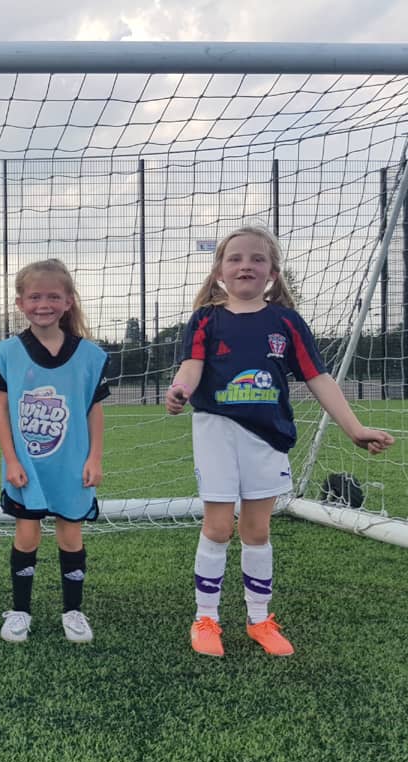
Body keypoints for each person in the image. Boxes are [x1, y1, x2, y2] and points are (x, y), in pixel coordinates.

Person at [167, 223, 394, 657]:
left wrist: (355, 428)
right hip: (216, 432)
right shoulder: (206, 319)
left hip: (268, 438)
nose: (245, 265)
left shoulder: (286, 322)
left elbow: (317, 377)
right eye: (235, 258)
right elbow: (192, 366)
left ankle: (259, 620)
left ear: (272, 272)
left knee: (257, 530)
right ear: (219, 271)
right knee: (217, 527)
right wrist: (180, 389)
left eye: (257, 259)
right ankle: (206, 618)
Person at [0, 260, 109, 644]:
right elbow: (1, 411)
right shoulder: (6, 353)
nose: (44, 304)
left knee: (70, 538)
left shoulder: (89, 356)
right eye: (35, 296)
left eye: (53, 296)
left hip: (71, 466)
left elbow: (93, 410)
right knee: (27, 537)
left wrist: (94, 458)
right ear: (20, 303)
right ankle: (20, 610)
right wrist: (11, 459)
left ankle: (73, 611)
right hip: (27, 468)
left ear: (68, 301)